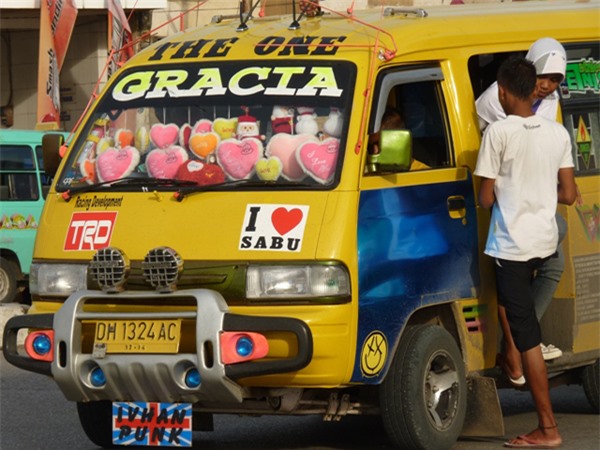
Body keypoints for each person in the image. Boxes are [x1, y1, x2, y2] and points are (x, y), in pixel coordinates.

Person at [474, 56, 577, 448]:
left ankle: (547, 428)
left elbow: (485, 199)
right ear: (532, 88)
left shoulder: (498, 133)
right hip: (545, 240)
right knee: (521, 322)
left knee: (527, 338)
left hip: (513, 247)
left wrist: (503, 188)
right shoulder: (556, 133)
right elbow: (567, 194)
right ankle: (514, 349)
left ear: (501, 92)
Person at [368, 106, 429, 170]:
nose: (374, 153)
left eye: (380, 145)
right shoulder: (367, 172)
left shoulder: (424, 176)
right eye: (369, 147)